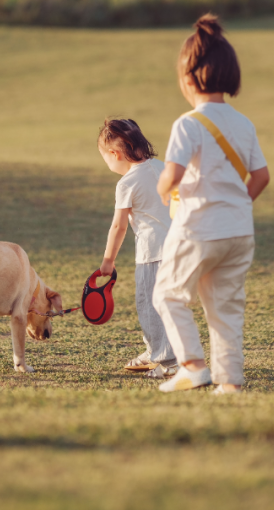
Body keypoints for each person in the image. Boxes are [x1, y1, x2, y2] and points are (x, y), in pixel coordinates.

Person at [153, 14, 270, 394]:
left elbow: (171, 177)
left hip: (199, 227)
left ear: (188, 77)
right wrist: (236, 205)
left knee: (168, 294)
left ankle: (192, 365)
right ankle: (230, 384)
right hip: (239, 230)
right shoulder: (244, 123)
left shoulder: (188, 124)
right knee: (226, 311)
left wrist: (162, 189)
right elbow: (261, 177)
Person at [97, 118, 178, 378]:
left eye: (105, 158)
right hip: (179, 248)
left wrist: (108, 261)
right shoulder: (163, 167)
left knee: (150, 307)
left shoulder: (127, 183)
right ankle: (155, 350)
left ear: (115, 154)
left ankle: (169, 363)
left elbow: (118, 227)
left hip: (152, 254)